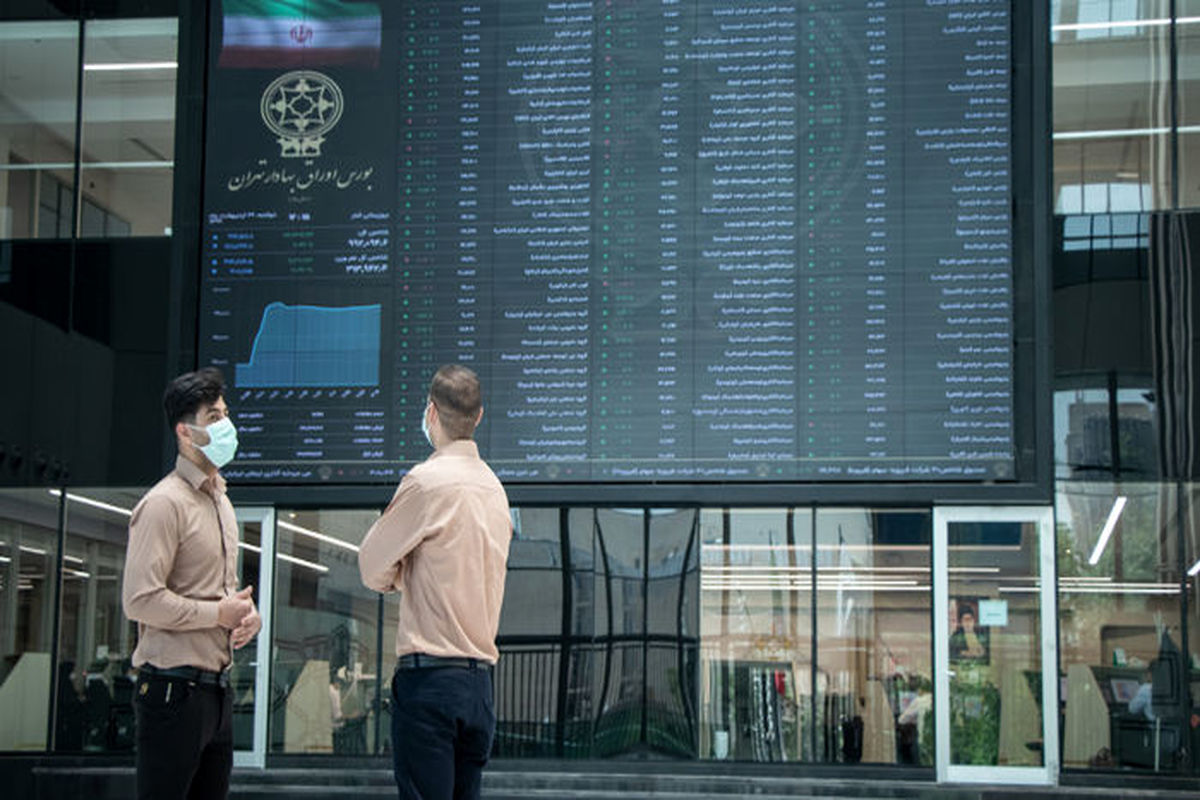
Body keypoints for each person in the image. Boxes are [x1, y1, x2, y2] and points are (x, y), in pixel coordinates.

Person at [359, 365, 511, 800]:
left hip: (430, 683)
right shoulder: (495, 491)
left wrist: (405, 574)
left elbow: (371, 566)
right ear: (479, 416)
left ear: (430, 412)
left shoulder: (425, 483)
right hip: (480, 687)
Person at [122, 367, 261, 800]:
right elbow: (140, 600)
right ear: (185, 432)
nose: (227, 425)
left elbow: (222, 592)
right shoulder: (164, 504)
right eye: (214, 417)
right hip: (171, 692)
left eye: (226, 413)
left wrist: (244, 618)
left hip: (216, 693)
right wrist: (215, 614)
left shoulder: (222, 502)